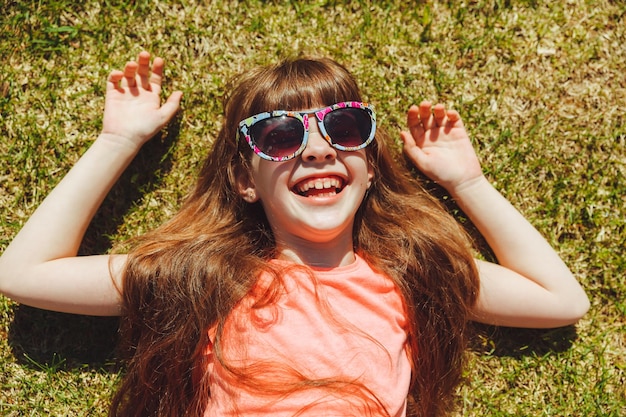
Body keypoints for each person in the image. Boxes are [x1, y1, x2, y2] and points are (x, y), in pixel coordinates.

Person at [0, 51, 589, 417]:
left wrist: (468, 180)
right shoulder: (204, 280)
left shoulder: (407, 277)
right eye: (279, 135)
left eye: (345, 126)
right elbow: (22, 275)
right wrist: (116, 142)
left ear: (371, 164)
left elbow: (560, 301)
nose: (316, 148)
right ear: (243, 180)